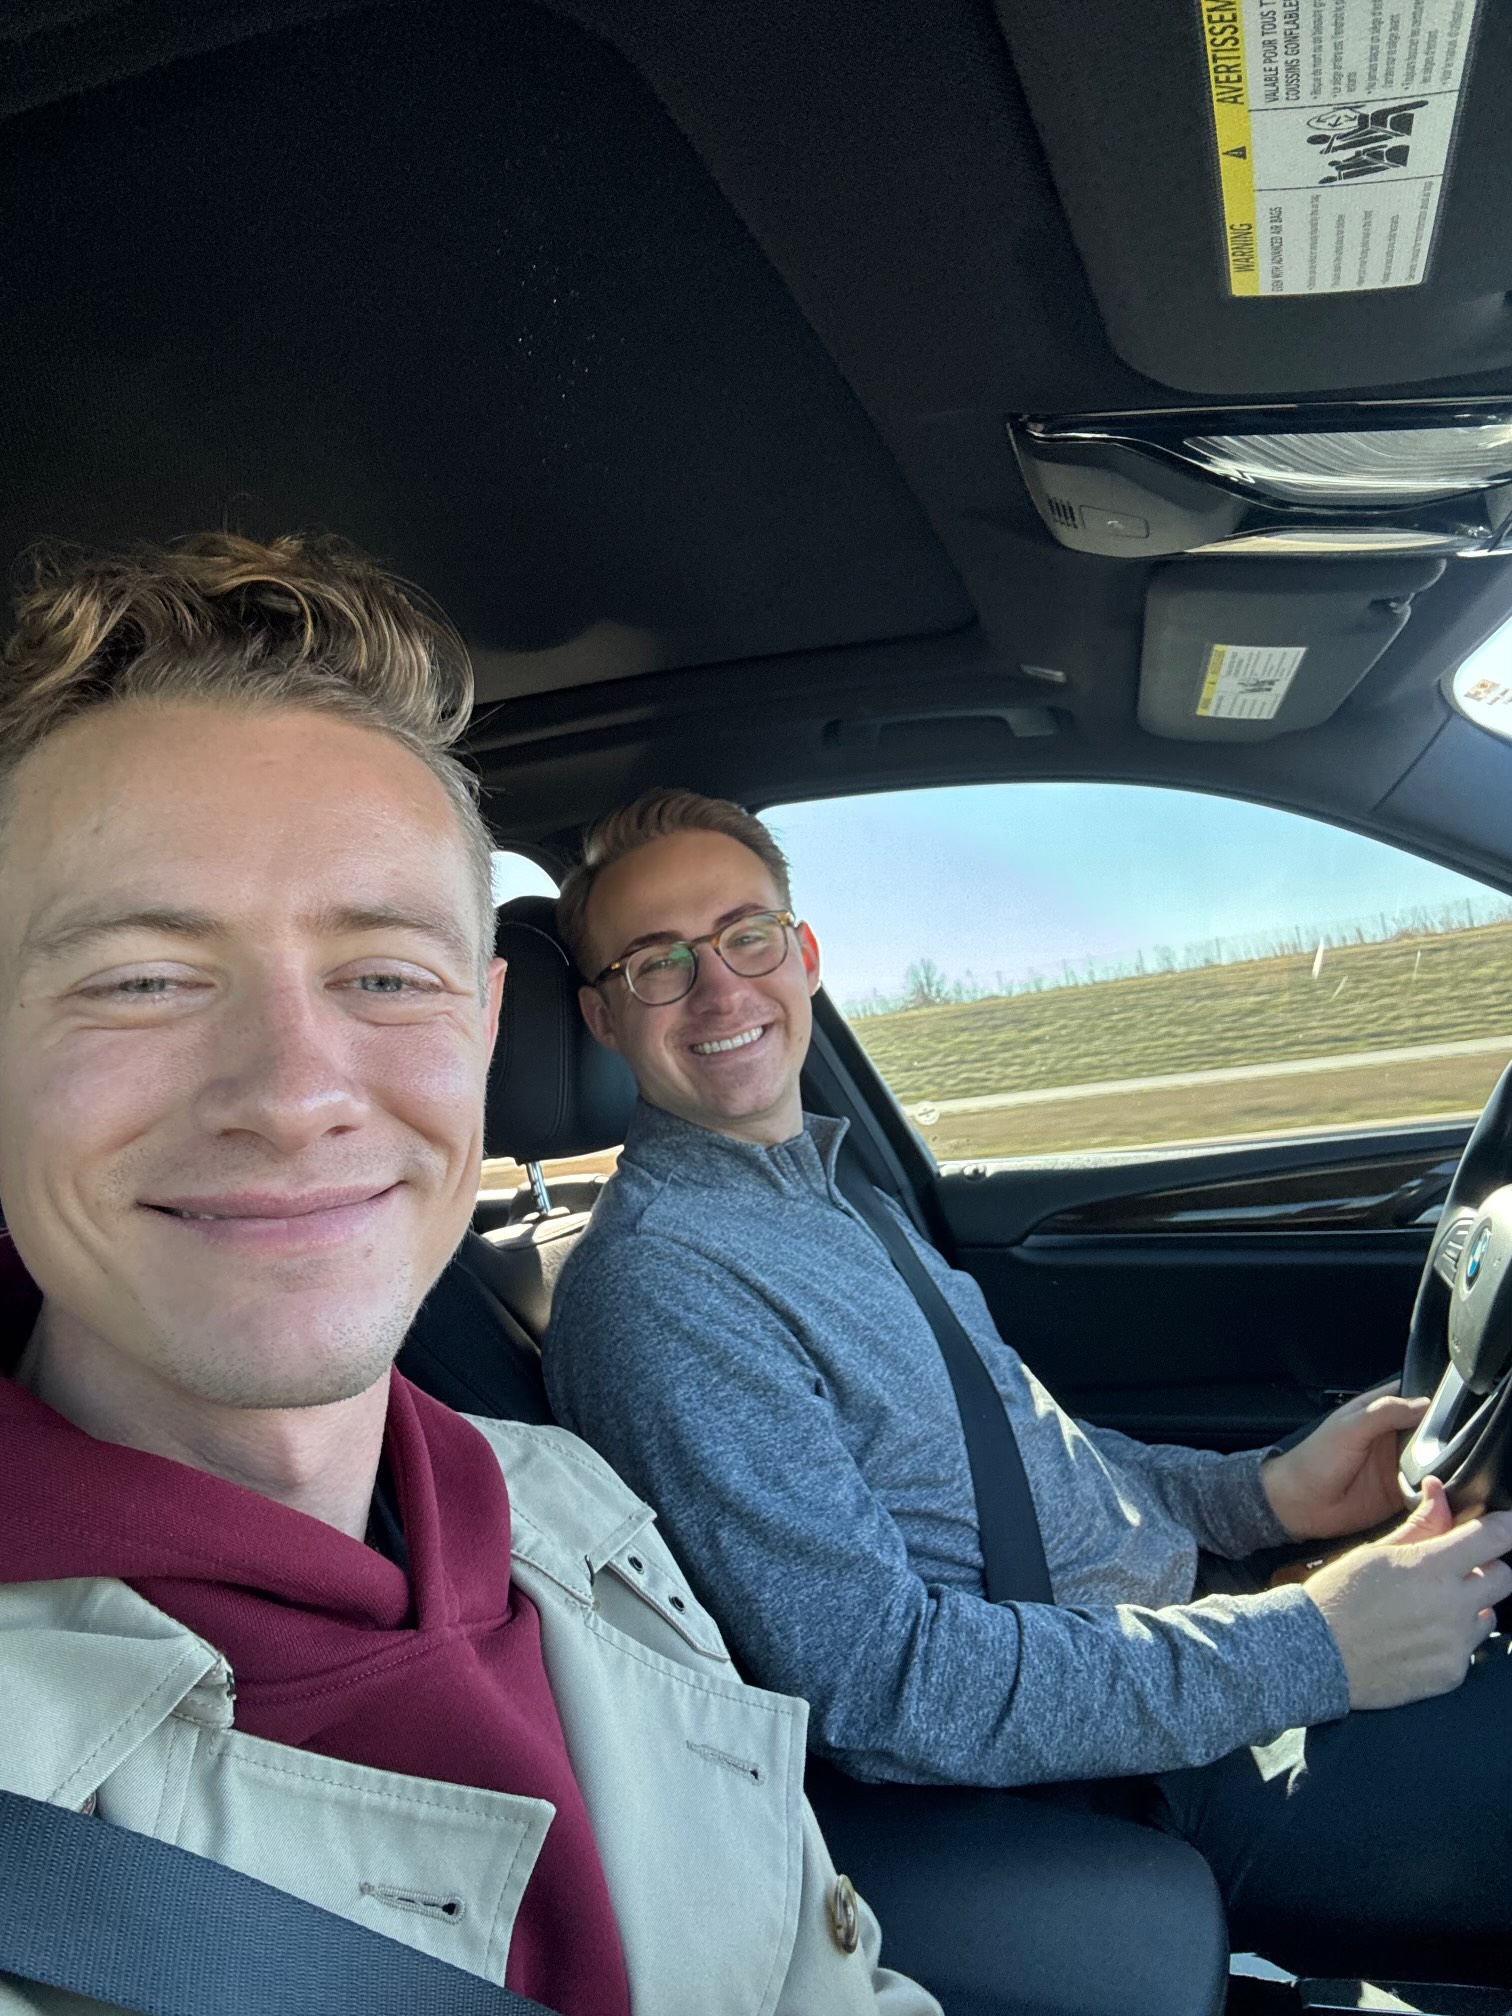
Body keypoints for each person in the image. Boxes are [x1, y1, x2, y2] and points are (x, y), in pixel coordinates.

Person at [0, 540, 938, 2016]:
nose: (295, 1092)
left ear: (487, 1031)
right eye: (139, 976)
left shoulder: (573, 1510)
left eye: (385, 975)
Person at [543, 785, 1512, 1985]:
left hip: (1193, 1648)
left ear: (804, 951)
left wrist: (1263, 1500)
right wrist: (1313, 1645)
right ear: (600, 1016)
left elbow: (1031, 1451)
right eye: (658, 964)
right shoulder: (660, 1290)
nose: (724, 989)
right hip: (1128, 1768)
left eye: (749, 936)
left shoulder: (842, 1193)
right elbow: (884, 1686)